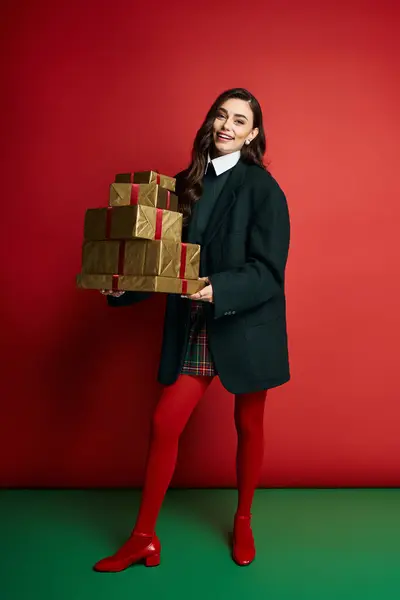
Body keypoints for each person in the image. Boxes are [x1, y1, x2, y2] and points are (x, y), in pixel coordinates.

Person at [93, 87, 290, 571]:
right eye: (221, 116)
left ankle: (242, 520)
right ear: (210, 122)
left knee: (249, 424)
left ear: (253, 134)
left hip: (246, 323)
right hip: (195, 323)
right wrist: (123, 287)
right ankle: (143, 538)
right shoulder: (184, 184)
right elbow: (161, 264)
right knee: (164, 423)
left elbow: (269, 270)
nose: (227, 125)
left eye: (239, 120)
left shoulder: (265, 189)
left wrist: (216, 288)